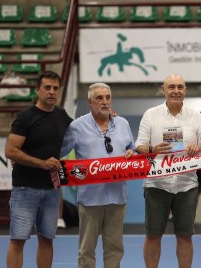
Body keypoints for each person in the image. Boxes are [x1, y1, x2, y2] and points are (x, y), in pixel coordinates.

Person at [61, 83, 135, 268]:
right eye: (99, 98)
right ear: (89, 102)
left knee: (115, 248)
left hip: (117, 197)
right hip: (90, 198)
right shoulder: (76, 127)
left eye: (107, 97)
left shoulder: (123, 124)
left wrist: (132, 153)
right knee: (86, 249)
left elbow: (131, 150)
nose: (104, 102)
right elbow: (58, 151)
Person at [135, 74, 201, 268]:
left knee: (185, 237)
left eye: (180, 87)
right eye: (171, 87)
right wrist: (152, 150)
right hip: (156, 184)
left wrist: (198, 148)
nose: (176, 91)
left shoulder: (197, 116)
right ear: (163, 90)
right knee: (153, 235)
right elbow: (140, 145)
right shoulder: (150, 114)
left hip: (187, 184)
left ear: (185, 90)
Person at [5, 71, 73, 268]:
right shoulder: (25, 117)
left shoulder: (62, 116)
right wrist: (41, 163)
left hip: (51, 190)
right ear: (37, 90)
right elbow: (10, 150)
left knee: (47, 239)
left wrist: (110, 115)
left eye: (55, 88)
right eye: (47, 88)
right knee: (18, 239)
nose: (51, 92)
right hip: (25, 189)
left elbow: (85, 128)